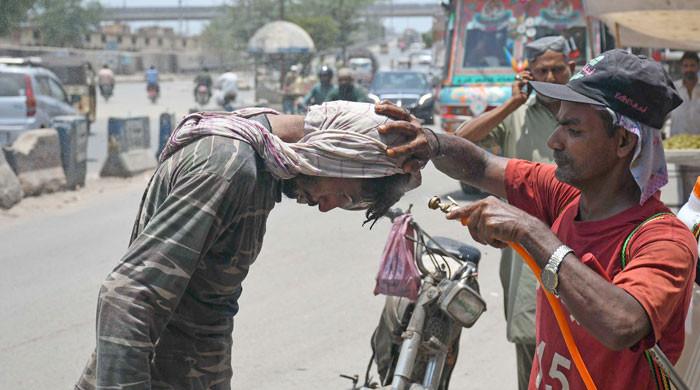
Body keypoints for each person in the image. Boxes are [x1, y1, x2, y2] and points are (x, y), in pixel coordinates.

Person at [379, 49, 697, 389]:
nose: (553, 141)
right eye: (559, 124)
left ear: (622, 141)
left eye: (573, 131)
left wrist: (531, 232)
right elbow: (482, 166)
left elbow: (622, 324)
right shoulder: (565, 196)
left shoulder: (664, 240)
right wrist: (430, 142)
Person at [74, 101, 422, 390]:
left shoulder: (258, 164)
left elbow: (205, 308)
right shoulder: (229, 167)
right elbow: (129, 296)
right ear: (339, 153)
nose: (328, 205)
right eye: (345, 194)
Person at [454, 35, 575, 389]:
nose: (551, 78)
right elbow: (461, 142)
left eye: (558, 69)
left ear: (571, 68)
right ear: (529, 74)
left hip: (578, 243)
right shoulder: (517, 115)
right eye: (542, 71)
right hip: (526, 256)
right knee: (532, 343)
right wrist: (511, 104)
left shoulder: (585, 113)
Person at [670, 51, 700, 136]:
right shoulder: (672, 89)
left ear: (698, 67)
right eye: (685, 66)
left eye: (692, 65)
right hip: (676, 145)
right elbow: (662, 116)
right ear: (681, 68)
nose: (689, 69)